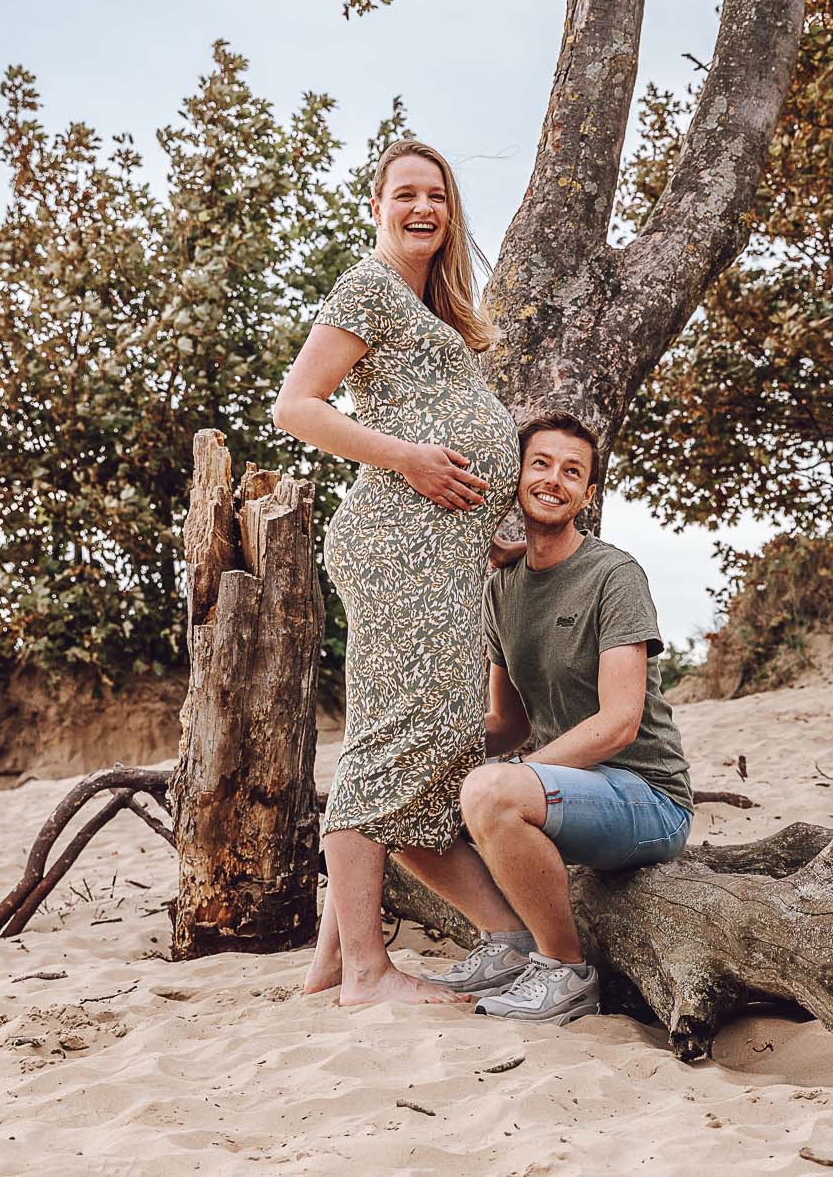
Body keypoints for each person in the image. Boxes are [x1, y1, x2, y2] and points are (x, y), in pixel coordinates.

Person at [272, 138, 521, 1006]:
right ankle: (369, 973)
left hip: (443, 551)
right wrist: (410, 460)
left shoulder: (430, 307)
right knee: (393, 740)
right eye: (405, 193)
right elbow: (296, 405)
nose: (423, 208)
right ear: (375, 205)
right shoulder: (367, 286)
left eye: (438, 196)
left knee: (430, 735)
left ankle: (331, 964)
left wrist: (492, 521)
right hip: (397, 544)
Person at [399, 411, 695, 1025]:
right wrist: (428, 755)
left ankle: (566, 972)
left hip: (647, 798)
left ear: (588, 494)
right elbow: (504, 722)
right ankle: (509, 943)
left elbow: (618, 723)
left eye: (572, 472)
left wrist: (508, 779)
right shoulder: (502, 587)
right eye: (541, 464)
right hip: (566, 789)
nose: (553, 480)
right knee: (396, 794)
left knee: (492, 791)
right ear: (517, 476)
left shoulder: (614, 575)